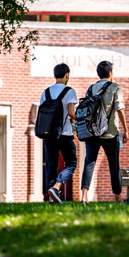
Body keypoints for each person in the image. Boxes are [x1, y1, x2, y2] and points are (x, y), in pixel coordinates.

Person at [80, 61, 129, 204]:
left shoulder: (90, 89)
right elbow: (119, 108)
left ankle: (84, 196)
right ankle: (118, 198)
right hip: (110, 133)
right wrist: (125, 130)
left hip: (92, 133)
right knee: (114, 165)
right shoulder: (115, 87)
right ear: (110, 73)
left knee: (89, 163)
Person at [40, 63, 78, 204]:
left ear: (54, 75)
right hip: (65, 134)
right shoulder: (69, 91)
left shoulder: (46, 92)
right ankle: (56, 187)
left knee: (51, 165)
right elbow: (71, 113)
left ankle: (51, 198)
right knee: (71, 163)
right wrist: (78, 119)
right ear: (67, 75)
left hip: (49, 134)